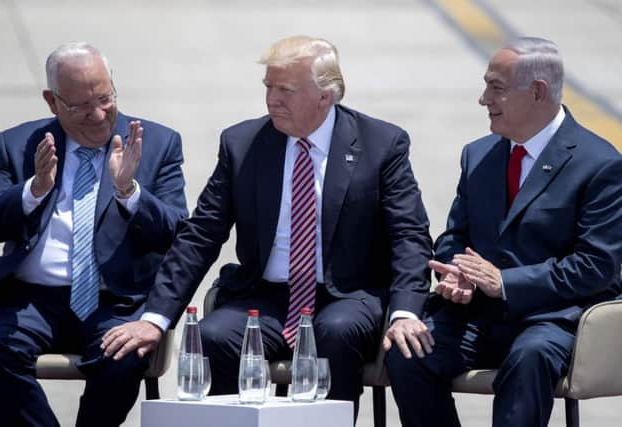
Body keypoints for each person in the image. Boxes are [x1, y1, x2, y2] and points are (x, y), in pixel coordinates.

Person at [103, 35, 433, 417]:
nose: (271, 99)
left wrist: (406, 312)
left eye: (285, 90)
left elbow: (409, 235)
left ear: (326, 96)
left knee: (334, 333)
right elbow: (201, 235)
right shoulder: (243, 143)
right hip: (266, 296)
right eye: (268, 87)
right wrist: (155, 318)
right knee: (215, 335)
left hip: (347, 295)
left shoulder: (381, 144)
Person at [386, 36, 622, 427]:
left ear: (537, 92)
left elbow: (596, 266)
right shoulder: (479, 154)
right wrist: (456, 273)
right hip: (476, 315)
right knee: (409, 352)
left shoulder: (600, 164)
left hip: (552, 319)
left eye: (496, 87)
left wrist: (505, 282)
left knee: (529, 359)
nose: (483, 99)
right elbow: (454, 236)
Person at [0, 42, 188, 427]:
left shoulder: (157, 143)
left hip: (115, 300)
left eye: (105, 98)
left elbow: (176, 232)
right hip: (33, 300)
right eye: (79, 106)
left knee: (124, 354)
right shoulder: (20, 144)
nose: (97, 115)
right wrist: (36, 188)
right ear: (52, 101)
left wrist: (129, 191)